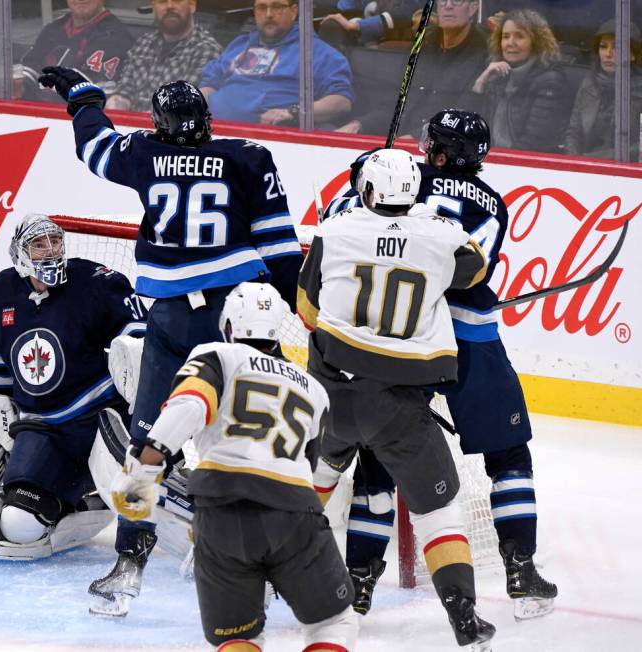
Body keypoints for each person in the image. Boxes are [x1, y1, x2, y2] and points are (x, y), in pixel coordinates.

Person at [38, 67, 304, 615]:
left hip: (171, 323)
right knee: (259, 443)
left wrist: (83, 97)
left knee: (149, 445)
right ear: (207, 121)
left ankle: (129, 565)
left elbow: (94, 146)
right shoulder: (250, 157)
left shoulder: (142, 153)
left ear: (158, 124)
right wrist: (307, 312)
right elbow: (279, 248)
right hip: (237, 321)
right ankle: (276, 562)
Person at [324, 109, 559, 622]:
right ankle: (521, 571)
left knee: (380, 457)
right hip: (470, 334)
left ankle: (358, 582)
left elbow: (338, 223)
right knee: (508, 456)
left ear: (437, 150)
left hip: (406, 338)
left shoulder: (393, 175)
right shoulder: (494, 203)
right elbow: (468, 274)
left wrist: (359, 172)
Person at [299, 148, 495, 648]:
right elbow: (475, 271)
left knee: (307, 492)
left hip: (329, 398)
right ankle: (463, 614)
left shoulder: (334, 229)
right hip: (397, 408)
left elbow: (306, 307)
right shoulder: (442, 234)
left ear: (366, 189)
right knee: (439, 510)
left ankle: (282, 585)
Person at [110, 282, 358, 652]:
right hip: (293, 510)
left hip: (220, 511)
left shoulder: (216, 355)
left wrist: (143, 472)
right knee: (333, 622)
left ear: (228, 325)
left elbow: (189, 408)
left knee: (239, 637)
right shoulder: (313, 388)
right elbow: (308, 470)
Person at [0, 213, 147, 561]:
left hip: (101, 419)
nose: (49, 251)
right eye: (38, 243)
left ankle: (123, 490)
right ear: (19, 252)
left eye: (55, 241)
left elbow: (139, 335)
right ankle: (86, 504)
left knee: (143, 498)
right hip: (43, 429)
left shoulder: (94, 281)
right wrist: (2, 419)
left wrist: (135, 360)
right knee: (19, 525)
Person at [337, 0, 486, 136]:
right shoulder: (422, 45)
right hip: (399, 144)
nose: (448, 5)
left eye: (457, 1)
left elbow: (464, 117)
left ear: (473, 7)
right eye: (442, 0)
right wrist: (360, 124)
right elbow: (394, 104)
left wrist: (416, 137)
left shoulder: (482, 54)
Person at [198, 0, 354, 126]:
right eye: (261, 7)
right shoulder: (239, 44)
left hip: (272, 139)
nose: (268, 14)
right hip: (212, 131)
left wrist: (293, 113)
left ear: (294, 11)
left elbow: (341, 102)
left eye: (277, 7)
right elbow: (209, 83)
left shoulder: (319, 52)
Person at [470, 9, 568, 153]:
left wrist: (495, 160)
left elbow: (534, 141)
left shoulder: (550, 81)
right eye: (505, 36)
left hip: (524, 166)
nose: (510, 43)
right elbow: (472, 126)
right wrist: (480, 83)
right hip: (493, 159)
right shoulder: (499, 75)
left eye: (519, 36)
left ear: (536, 42)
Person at [105, 0, 222, 112]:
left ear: (192, 5)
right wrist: (115, 106)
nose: (169, 6)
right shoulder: (143, 43)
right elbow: (124, 91)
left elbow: (183, 107)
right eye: (162, 1)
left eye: (177, 0)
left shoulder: (206, 50)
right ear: (154, 7)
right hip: (129, 127)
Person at [20, 0, 132, 103]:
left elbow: (78, 90)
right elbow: (30, 68)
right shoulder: (54, 28)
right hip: (35, 113)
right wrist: (19, 84)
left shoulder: (115, 36)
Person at [564, 19, 642, 161]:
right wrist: (574, 163)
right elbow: (573, 133)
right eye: (603, 47)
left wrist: (602, 159)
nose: (608, 54)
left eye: (617, 47)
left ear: (632, 54)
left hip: (627, 172)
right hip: (584, 168)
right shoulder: (588, 85)